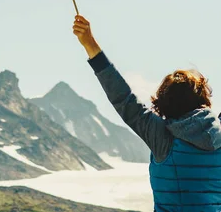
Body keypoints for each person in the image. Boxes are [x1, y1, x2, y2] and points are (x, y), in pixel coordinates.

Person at [72, 14, 221, 212]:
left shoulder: (162, 138)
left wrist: (90, 44)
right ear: (204, 99)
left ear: (163, 103)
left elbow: (123, 98)